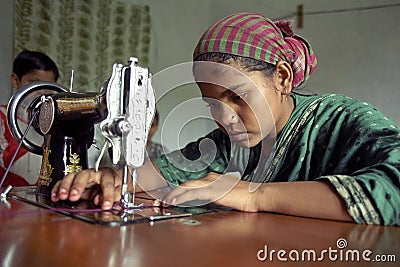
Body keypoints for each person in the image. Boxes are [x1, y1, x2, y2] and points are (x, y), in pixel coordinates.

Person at [51, 13, 400, 226]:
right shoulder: (227, 144)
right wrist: (112, 178)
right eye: (212, 104)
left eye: (237, 96)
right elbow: (166, 172)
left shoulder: (344, 119)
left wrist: (254, 196)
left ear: (282, 78)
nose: (226, 118)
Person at [0, 50, 59, 186]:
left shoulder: (53, 125)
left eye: (48, 86)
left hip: (39, 201)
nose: (42, 92)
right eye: (33, 82)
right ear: (16, 80)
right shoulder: (3, 118)